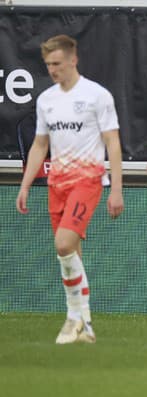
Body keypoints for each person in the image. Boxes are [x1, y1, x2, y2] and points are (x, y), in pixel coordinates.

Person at [16, 34, 124, 344]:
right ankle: (85, 324)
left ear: (73, 60)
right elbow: (40, 145)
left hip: (86, 181)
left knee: (63, 244)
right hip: (57, 185)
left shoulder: (97, 96)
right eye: (48, 64)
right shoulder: (46, 100)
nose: (52, 69)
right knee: (70, 254)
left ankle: (72, 317)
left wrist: (116, 189)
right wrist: (24, 185)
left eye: (57, 63)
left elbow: (112, 142)